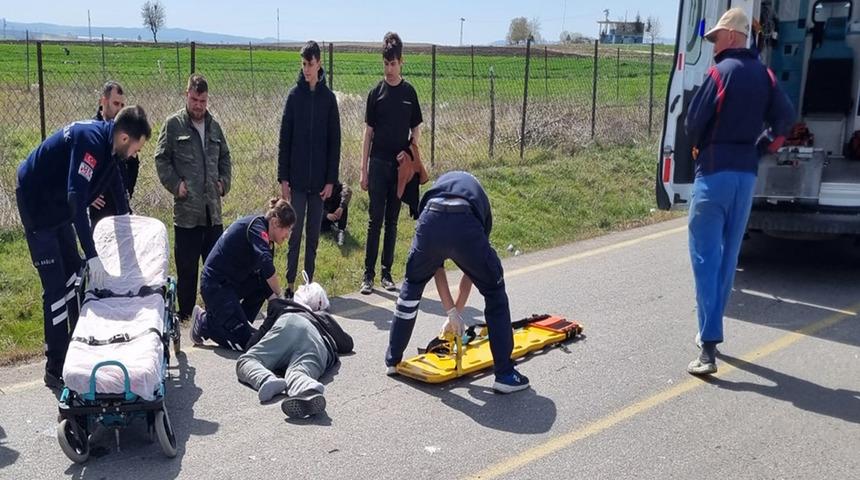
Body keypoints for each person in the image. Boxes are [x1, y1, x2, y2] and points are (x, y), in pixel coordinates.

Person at [684, 7, 794, 375]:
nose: (714, 44)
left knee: (704, 259)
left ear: (732, 36)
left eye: (716, 38)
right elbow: (785, 120)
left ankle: (708, 344)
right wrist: (762, 147)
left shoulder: (719, 73)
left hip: (713, 176)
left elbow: (693, 124)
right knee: (728, 258)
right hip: (746, 177)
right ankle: (709, 334)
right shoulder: (765, 76)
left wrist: (702, 149)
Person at [15, 105, 151, 389]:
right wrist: (93, 255)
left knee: (75, 277)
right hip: (38, 207)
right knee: (56, 292)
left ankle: (80, 352)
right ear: (125, 138)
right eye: (137, 148)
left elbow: (114, 182)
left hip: (58, 208)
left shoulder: (109, 145)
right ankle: (55, 365)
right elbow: (76, 200)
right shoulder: (90, 141)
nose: (137, 154)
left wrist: (127, 220)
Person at [384, 171, 530, 394]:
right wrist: (455, 312)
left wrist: (452, 312)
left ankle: (393, 361)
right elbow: (472, 273)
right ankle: (505, 375)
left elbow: (437, 268)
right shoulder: (480, 202)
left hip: (430, 219)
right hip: (465, 220)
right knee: (494, 291)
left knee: (411, 288)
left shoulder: (438, 187)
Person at [155, 73, 232, 322]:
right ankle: (186, 317)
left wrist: (224, 182)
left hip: (212, 211)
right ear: (186, 95)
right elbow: (161, 158)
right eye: (194, 99)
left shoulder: (215, 126)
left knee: (215, 268)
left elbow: (225, 158)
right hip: (187, 213)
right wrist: (176, 185)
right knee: (187, 269)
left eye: (203, 100)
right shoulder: (173, 125)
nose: (198, 105)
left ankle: (213, 314)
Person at [359, 32, 423, 295]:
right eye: (386, 64)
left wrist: (409, 153)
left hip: (400, 170)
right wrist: (363, 170)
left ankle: (387, 273)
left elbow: (416, 128)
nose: (389, 69)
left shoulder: (409, 93)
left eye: (393, 63)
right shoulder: (376, 93)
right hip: (377, 164)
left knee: (392, 221)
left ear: (401, 62)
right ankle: (368, 276)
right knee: (375, 221)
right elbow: (368, 133)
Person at [278, 40, 341, 299]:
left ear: (319, 64)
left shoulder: (328, 99)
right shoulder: (294, 97)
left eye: (311, 64)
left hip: (319, 184)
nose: (306, 69)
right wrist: (283, 177)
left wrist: (331, 180)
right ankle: (290, 284)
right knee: (294, 234)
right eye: (303, 64)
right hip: (297, 180)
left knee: (313, 236)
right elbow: (284, 139)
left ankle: (308, 286)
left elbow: (334, 142)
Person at [191, 198, 295, 351]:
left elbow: (262, 276)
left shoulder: (266, 238)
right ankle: (205, 323)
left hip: (231, 284)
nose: (288, 235)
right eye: (287, 229)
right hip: (216, 285)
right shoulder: (257, 228)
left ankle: (240, 323)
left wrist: (276, 304)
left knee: (263, 285)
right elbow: (266, 264)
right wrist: (279, 294)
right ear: (274, 222)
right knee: (247, 344)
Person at [236, 297, 353, 419]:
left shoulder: (280, 305)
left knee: (247, 360)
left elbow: (250, 345)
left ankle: (266, 379)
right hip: (316, 339)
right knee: (299, 371)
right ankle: (307, 387)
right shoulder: (323, 316)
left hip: (288, 323)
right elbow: (347, 344)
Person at [89, 81, 140, 225]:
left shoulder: (125, 133)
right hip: (100, 211)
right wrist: (88, 195)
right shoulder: (92, 132)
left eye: (122, 105)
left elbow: (132, 169)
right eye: (116, 104)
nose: (120, 110)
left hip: (121, 208)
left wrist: (127, 192)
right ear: (103, 101)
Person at [320, 182, 352, 246]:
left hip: (336, 212)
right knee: (323, 229)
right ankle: (331, 226)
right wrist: (326, 215)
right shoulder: (318, 186)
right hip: (323, 214)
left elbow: (348, 190)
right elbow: (313, 206)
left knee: (343, 202)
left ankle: (341, 230)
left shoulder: (338, 185)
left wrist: (341, 207)